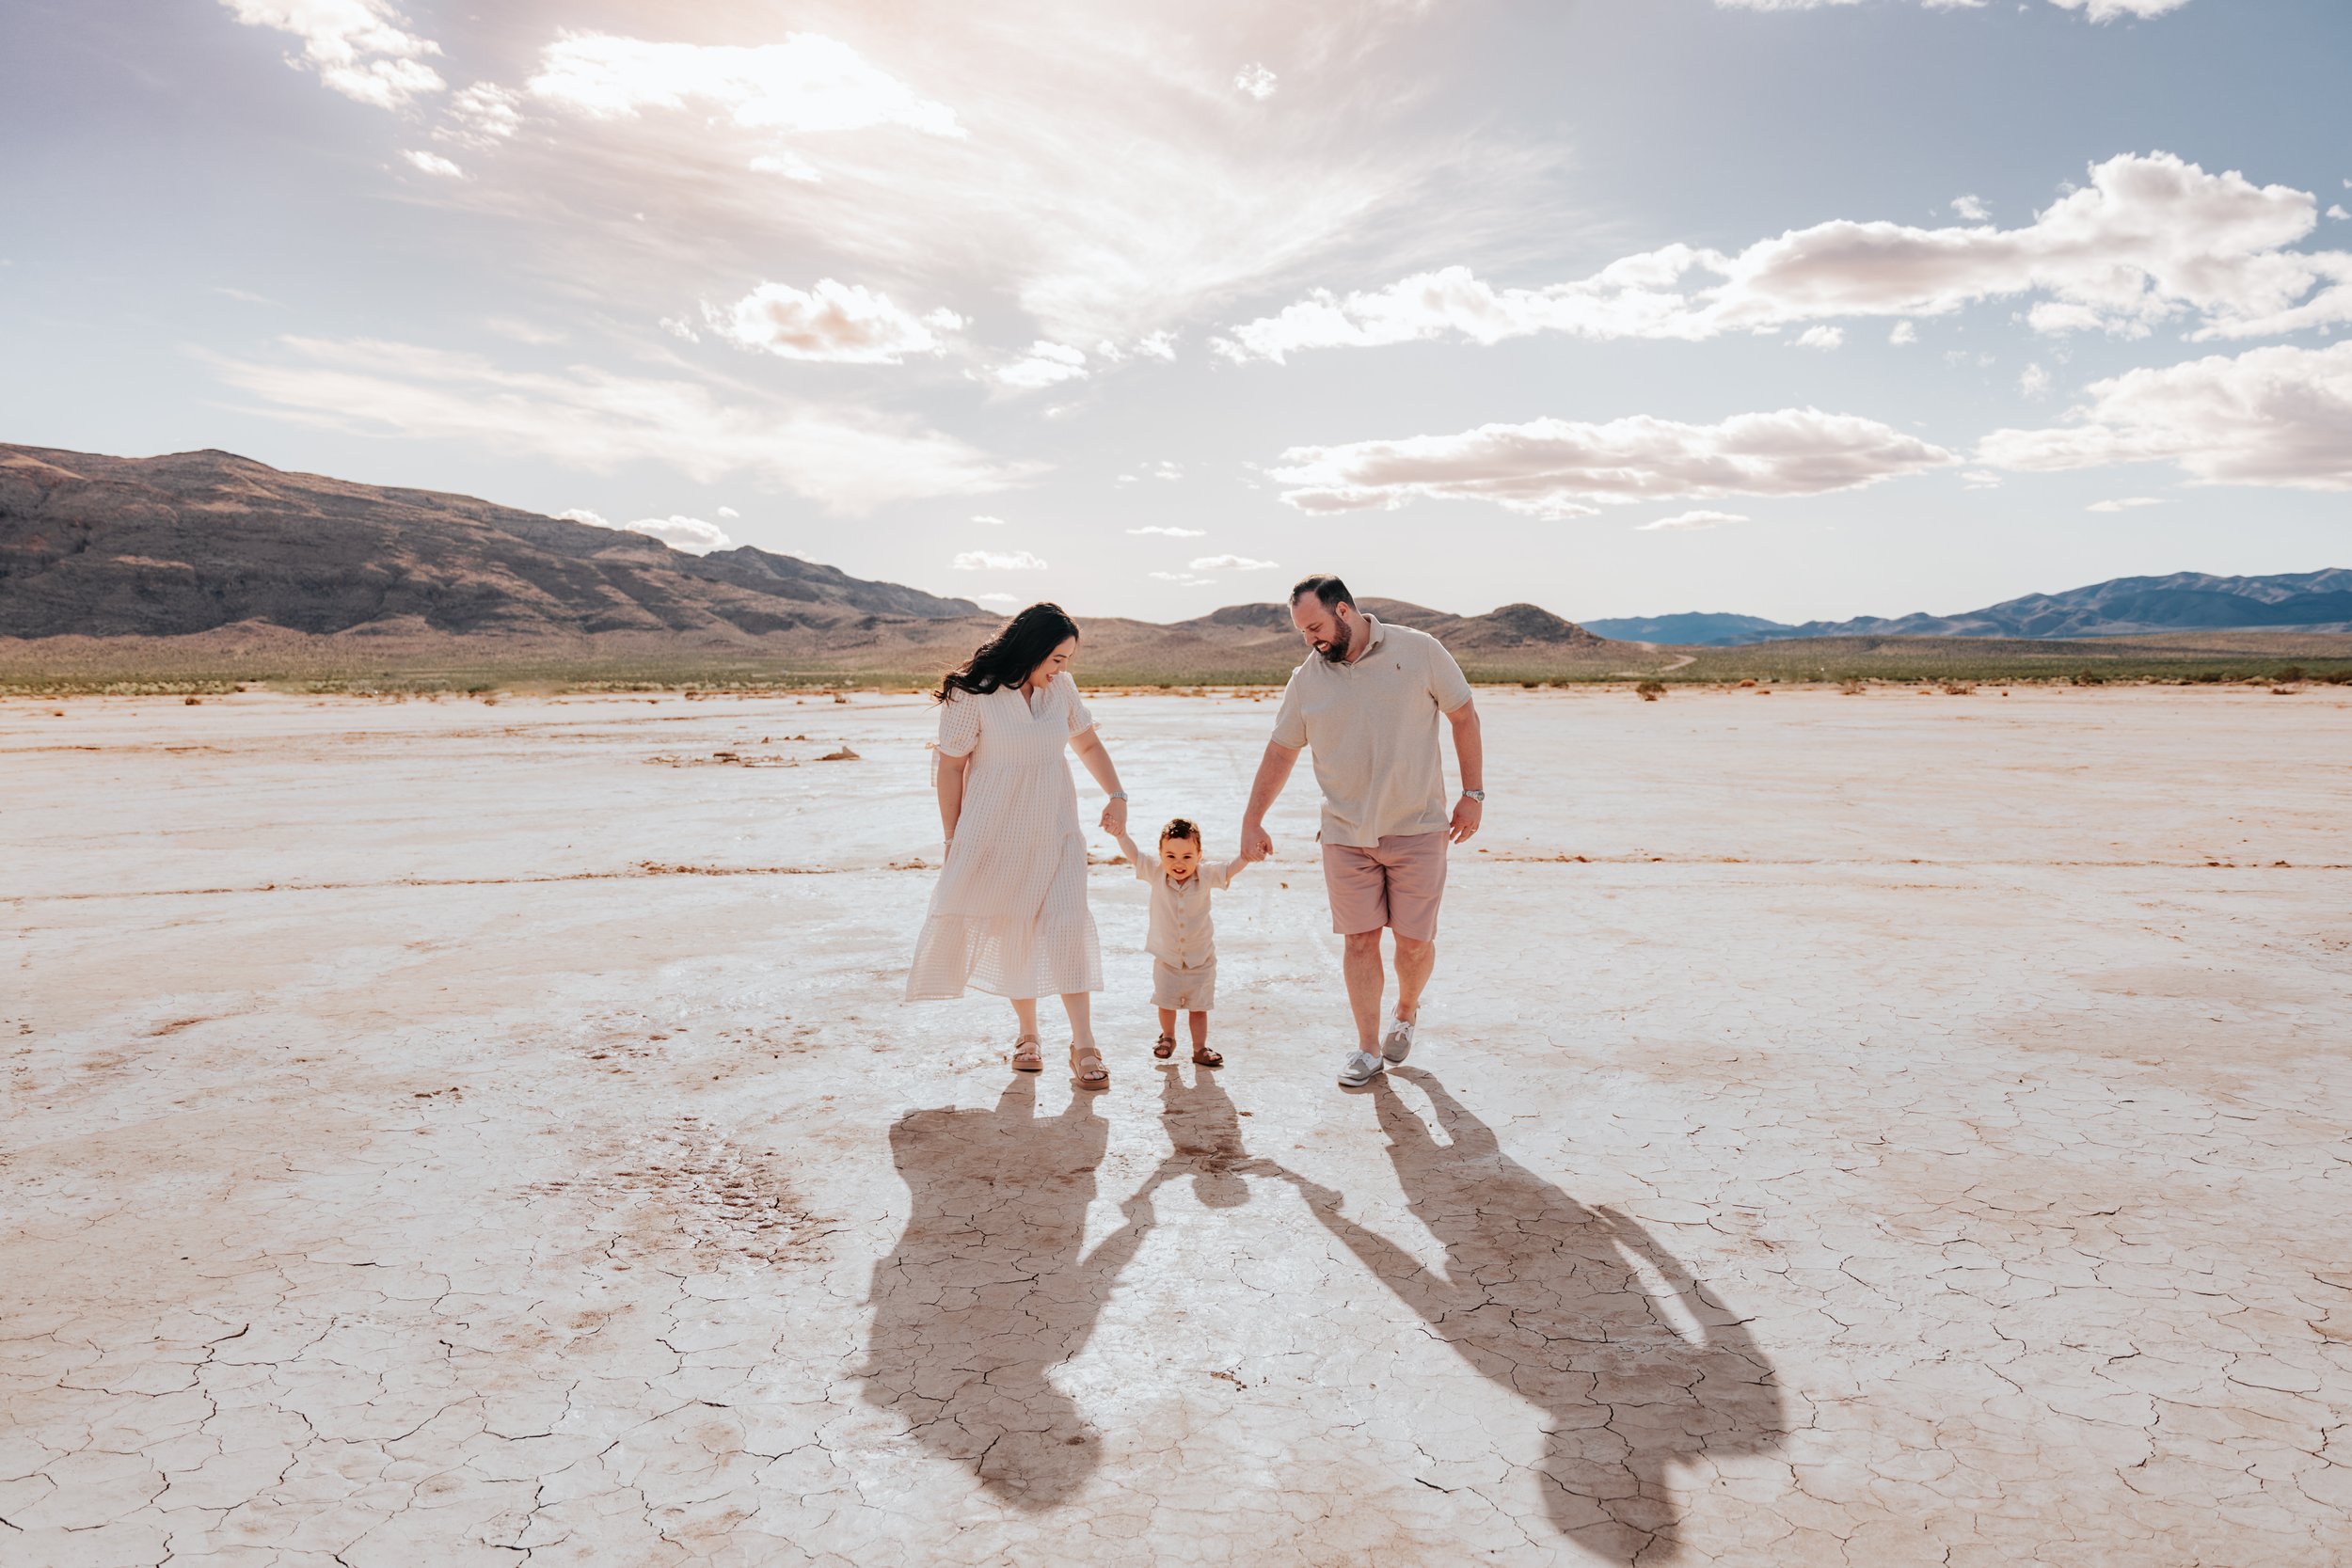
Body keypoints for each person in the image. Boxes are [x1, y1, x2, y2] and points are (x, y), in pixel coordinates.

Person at [1238, 574, 1484, 1088]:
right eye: (1302, 632)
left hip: (1418, 827)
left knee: (1414, 945)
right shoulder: (1307, 679)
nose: (1311, 640)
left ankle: (1407, 1010)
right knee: (1358, 942)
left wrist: (1472, 793)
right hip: (1346, 835)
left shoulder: (1420, 651)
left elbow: (1463, 715)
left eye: (1315, 627)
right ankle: (1367, 1048)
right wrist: (1252, 817)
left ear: (1344, 611)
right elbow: (1282, 750)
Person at [906, 602, 1130, 1090]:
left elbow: (1087, 744)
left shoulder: (1061, 690)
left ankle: (1084, 1044)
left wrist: (1117, 794)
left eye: (1067, 660)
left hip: (1058, 829)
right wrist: (953, 836)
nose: (1063, 669)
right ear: (1031, 650)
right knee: (1014, 929)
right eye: (1056, 659)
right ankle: (1028, 1036)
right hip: (998, 830)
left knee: (1067, 924)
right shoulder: (975, 694)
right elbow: (950, 767)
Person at [1108, 816, 1251, 1068]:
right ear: (1161, 855)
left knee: (1199, 1007)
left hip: (1200, 957)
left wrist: (1248, 855)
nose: (1178, 863)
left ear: (1199, 855)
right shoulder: (1155, 872)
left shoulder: (1206, 875)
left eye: (1187, 856)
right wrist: (1121, 835)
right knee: (1166, 1002)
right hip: (1167, 957)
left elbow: (1230, 868)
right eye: (1171, 856)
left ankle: (1199, 1048)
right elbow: (1135, 855)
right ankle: (1168, 1037)